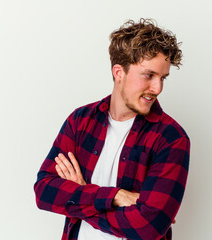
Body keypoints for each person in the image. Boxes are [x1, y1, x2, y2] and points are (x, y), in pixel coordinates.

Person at [34, 18, 190, 240]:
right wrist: (116, 196)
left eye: (163, 77)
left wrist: (82, 196)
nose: (157, 88)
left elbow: (148, 228)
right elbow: (44, 191)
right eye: (149, 75)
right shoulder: (80, 121)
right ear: (119, 72)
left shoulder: (171, 138)